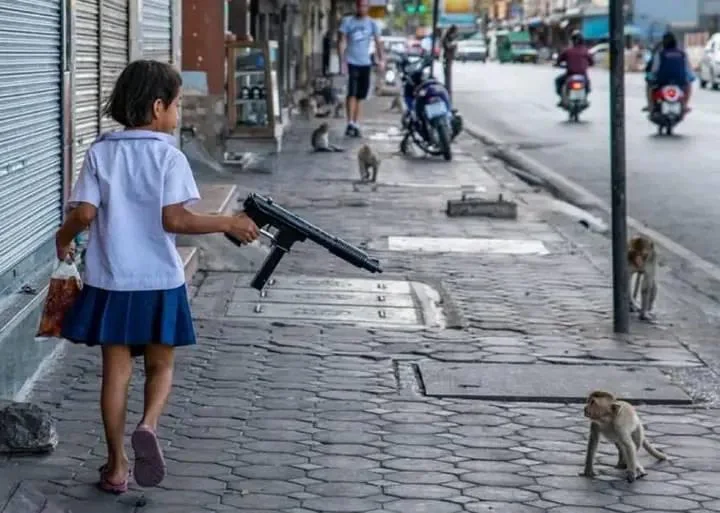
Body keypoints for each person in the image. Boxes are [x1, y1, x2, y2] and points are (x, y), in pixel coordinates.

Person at [55, 60, 260, 494]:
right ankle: (148, 425)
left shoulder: (101, 151)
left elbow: (86, 213)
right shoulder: (169, 155)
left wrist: (63, 237)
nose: (179, 112)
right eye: (178, 104)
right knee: (160, 365)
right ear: (157, 106)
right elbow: (177, 220)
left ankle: (115, 466)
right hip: (159, 281)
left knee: (115, 373)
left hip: (110, 281)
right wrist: (226, 223)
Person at [338, 0, 384, 137]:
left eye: (364, 6)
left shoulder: (372, 23)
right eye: (359, 6)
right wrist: (342, 61)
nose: (361, 8)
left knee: (360, 95)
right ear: (356, 7)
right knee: (351, 93)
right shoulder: (348, 21)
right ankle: (350, 123)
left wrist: (381, 59)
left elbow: (378, 41)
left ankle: (356, 123)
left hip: (365, 63)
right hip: (352, 62)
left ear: (368, 7)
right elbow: (342, 41)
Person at [644, 31, 694, 113]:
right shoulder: (682, 54)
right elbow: (688, 68)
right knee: (689, 85)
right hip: (680, 80)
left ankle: (651, 105)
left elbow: (654, 69)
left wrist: (650, 75)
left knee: (649, 85)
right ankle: (685, 105)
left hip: (663, 80)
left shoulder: (660, 54)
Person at [554, 31, 594, 106]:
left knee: (558, 81)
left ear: (572, 41)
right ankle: (585, 99)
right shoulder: (585, 51)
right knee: (588, 85)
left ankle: (562, 99)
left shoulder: (568, 51)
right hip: (582, 75)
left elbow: (558, 61)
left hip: (570, 74)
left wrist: (558, 64)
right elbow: (591, 62)